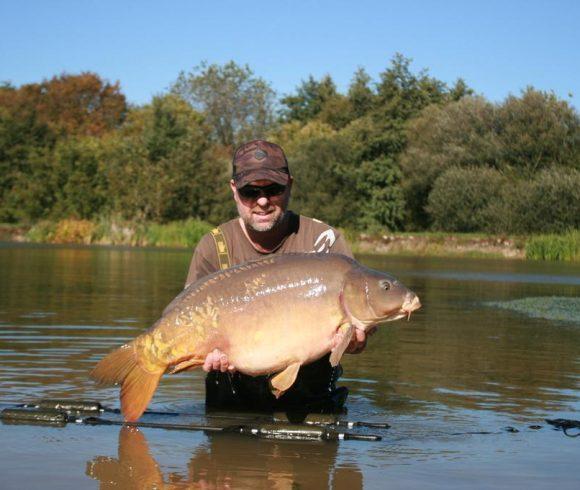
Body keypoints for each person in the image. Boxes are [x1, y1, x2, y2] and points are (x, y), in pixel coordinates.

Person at [185, 139, 370, 412]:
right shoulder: (214, 247)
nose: (262, 201)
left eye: (273, 190)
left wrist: (354, 340)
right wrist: (204, 354)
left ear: (290, 185)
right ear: (234, 190)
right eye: (250, 191)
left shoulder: (325, 243)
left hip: (310, 406)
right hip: (230, 407)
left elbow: (357, 338)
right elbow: (189, 326)